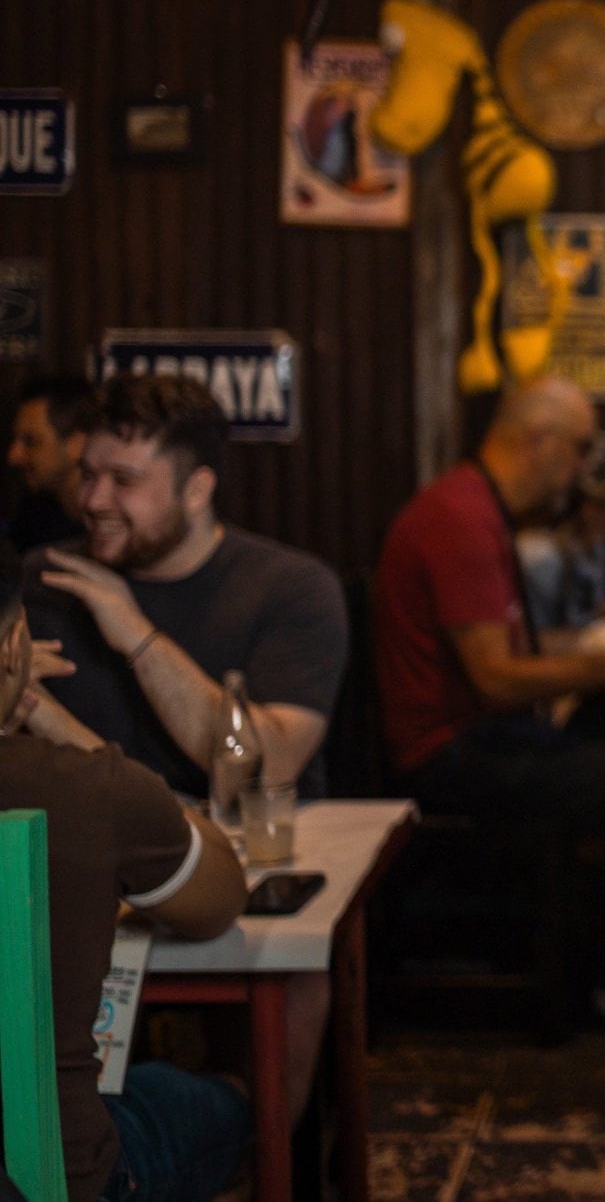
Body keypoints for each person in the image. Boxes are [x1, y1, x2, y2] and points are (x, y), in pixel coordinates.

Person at [0, 537, 254, 1202]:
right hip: (55, 1179)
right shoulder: (84, 790)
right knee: (223, 1102)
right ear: (11, 647)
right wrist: (53, 723)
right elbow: (219, 896)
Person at [21, 374, 348, 800]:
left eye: (124, 480)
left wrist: (138, 636)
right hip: (87, 853)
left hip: (252, 858)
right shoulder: (42, 580)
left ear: (196, 490)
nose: (95, 500)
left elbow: (263, 769)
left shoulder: (292, 588)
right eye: (88, 475)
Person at [373, 373, 605, 814]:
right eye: (581, 448)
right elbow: (497, 681)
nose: (583, 468)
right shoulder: (461, 517)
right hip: (447, 754)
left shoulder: (475, 503)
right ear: (540, 440)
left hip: (480, 735)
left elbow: (515, 649)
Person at [517, 443, 605, 634]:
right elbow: (530, 644)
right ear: (591, 509)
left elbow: (581, 614)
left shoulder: (599, 548)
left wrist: (604, 610)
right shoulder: (541, 558)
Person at [6, 372, 97, 552]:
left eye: (30, 442)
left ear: (76, 444)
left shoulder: (107, 531)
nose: (13, 456)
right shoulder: (34, 519)